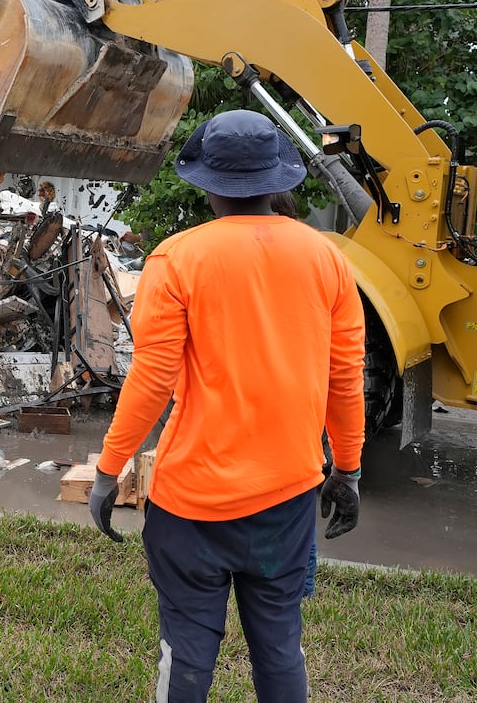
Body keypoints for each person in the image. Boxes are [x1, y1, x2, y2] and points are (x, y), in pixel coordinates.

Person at [89, 110, 366, 702]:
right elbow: (345, 378)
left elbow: (151, 379)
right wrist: (348, 468)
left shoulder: (176, 259)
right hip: (286, 501)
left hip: (191, 505)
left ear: (208, 184)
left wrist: (109, 469)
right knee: (279, 649)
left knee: (185, 652)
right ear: (278, 181)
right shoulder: (328, 261)